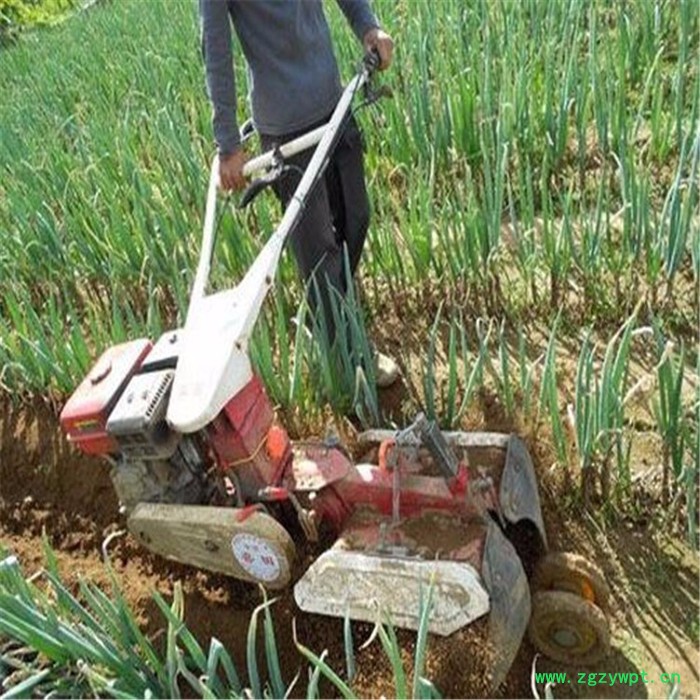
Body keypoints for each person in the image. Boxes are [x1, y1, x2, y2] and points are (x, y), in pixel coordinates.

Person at [198, 0, 399, 388]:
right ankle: (349, 359)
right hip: (286, 130)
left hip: (333, 102)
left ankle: (329, 311)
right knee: (318, 247)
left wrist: (368, 27)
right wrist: (227, 143)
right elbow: (216, 48)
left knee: (356, 217)